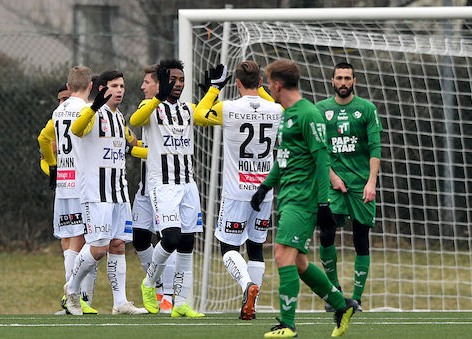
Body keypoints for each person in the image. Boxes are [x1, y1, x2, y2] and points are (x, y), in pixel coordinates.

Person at [250, 59, 359, 338]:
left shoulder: (309, 113)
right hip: (287, 196)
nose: (266, 86)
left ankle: (288, 325)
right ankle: (341, 304)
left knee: (281, 254)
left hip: (303, 199)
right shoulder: (287, 113)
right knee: (297, 262)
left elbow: (322, 160)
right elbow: (284, 157)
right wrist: (265, 187)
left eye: (268, 82)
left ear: (277, 84)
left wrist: (323, 204)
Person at [131, 58, 220, 317]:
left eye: (181, 80)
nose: (178, 84)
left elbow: (204, 115)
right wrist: (159, 96)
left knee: (187, 243)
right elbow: (136, 119)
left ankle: (181, 302)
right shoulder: (151, 106)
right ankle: (149, 283)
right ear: (162, 81)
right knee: (169, 237)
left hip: (188, 183)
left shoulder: (186, 109)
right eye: (173, 79)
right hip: (163, 185)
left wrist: (214, 90)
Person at [195, 61, 283, 320]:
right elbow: (272, 105)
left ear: (236, 83)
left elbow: (199, 115)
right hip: (264, 191)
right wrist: (263, 92)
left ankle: (247, 286)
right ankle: (252, 304)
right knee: (256, 246)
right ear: (260, 82)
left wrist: (213, 89)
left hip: (236, 192)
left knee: (227, 246)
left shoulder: (229, 108)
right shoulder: (276, 109)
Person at [64, 69, 147, 315]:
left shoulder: (119, 117)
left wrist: (157, 152)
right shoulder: (89, 113)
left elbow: (131, 147)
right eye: (114, 85)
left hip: (118, 190)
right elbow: (76, 130)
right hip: (95, 191)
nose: (120, 90)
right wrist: (92, 108)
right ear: (102, 89)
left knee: (118, 244)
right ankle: (71, 288)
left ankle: (120, 302)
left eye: (122, 85)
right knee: (98, 248)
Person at [315, 62, 382, 311]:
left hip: (362, 183)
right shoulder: (321, 109)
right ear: (332, 81)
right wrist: (332, 176)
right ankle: (334, 294)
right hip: (331, 184)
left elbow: (375, 147)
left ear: (355, 80)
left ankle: (356, 299)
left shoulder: (367, 109)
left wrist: (371, 181)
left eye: (347, 78)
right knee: (326, 232)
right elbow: (318, 149)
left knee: (361, 237)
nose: (343, 82)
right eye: (339, 78)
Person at [38, 76, 99, 315]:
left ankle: (76, 296)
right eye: (60, 99)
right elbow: (44, 149)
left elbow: (43, 141)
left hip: (66, 183)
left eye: (65, 97)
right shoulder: (83, 111)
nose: (63, 102)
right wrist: (51, 167)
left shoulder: (58, 114)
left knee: (76, 239)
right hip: (78, 184)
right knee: (74, 239)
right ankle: (74, 297)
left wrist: (53, 167)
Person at [131, 64, 177, 314]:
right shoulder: (145, 107)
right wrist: (132, 142)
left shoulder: (172, 112)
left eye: (147, 82)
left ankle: (168, 294)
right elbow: (148, 143)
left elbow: (161, 153)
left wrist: (132, 150)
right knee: (139, 239)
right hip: (144, 188)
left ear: (159, 85)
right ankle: (157, 286)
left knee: (167, 239)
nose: (142, 86)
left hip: (164, 186)